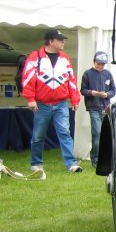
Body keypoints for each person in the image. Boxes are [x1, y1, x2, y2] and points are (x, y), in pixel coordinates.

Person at [20, 29, 82, 173]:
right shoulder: (35, 57)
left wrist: (75, 98)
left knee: (65, 133)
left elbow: (71, 80)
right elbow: (28, 78)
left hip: (61, 103)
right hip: (42, 104)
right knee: (38, 135)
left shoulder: (64, 58)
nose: (63, 42)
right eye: (60, 40)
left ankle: (71, 164)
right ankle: (36, 163)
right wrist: (30, 99)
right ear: (50, 41)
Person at [80, 51, 116, 168]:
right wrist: (92, 92)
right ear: (94, 62)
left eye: (102, 64)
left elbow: (113, 90)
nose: (100, 66)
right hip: (93, 108)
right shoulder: (87, 74)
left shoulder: (108, 74)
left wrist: (107, 94)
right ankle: (95, 158)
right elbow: (83, 90)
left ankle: (106, 158)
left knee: (107, 134)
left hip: (105, 108)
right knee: (97, 132)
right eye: (98, 64)